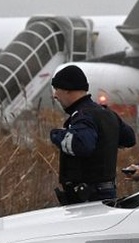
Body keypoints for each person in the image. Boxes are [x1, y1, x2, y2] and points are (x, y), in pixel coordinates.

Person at [49, 65, 121, 204]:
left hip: (89, 197)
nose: (55, 95)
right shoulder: (106, 113)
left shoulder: (83, 116)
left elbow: (82, 145)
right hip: (107, 193)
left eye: (57, 89)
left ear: (68, 90)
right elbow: (128, 138)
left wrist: (56, 134)